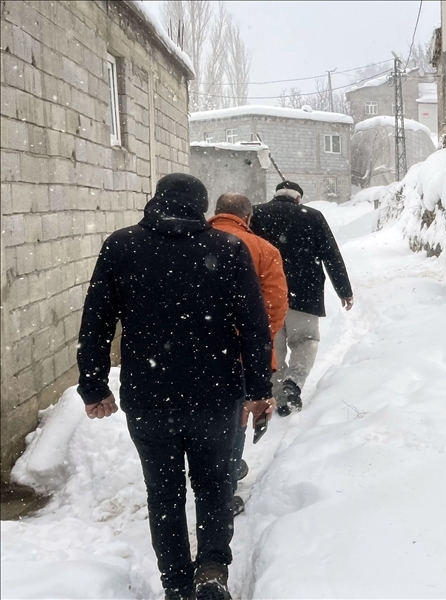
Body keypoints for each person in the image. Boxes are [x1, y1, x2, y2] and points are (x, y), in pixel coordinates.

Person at [77, 173, 275, 600]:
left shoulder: (121, 246)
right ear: (202, 207)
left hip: (149, 397)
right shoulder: (228, 248)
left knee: (163, 493)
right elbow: (255, 325)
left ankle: (177, 585)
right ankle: (212, 569)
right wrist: (259, 388)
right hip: (215, 393)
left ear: (156, 200)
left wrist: (94, 386)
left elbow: (96, 322)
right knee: (214, 484)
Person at [209, 192, 288, 516]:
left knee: (205, 415)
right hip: (240, 353)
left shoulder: (191, 243)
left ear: (216, 212)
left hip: (196, 350)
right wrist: (254, 341)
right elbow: (275, 306)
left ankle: (211, 469)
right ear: (248, 217)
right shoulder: (264, 250)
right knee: (236, 416)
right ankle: (224, 486)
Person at [250, 180, 354, 416]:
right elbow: (331, 255)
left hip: (266, 294)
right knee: (305, 341)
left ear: (276, 194)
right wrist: (344, 290)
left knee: (272, 346)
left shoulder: (256, 214)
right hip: (305, 294)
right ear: (298, 198)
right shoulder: (313, 216)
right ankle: (293, 383)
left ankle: (278, 395)